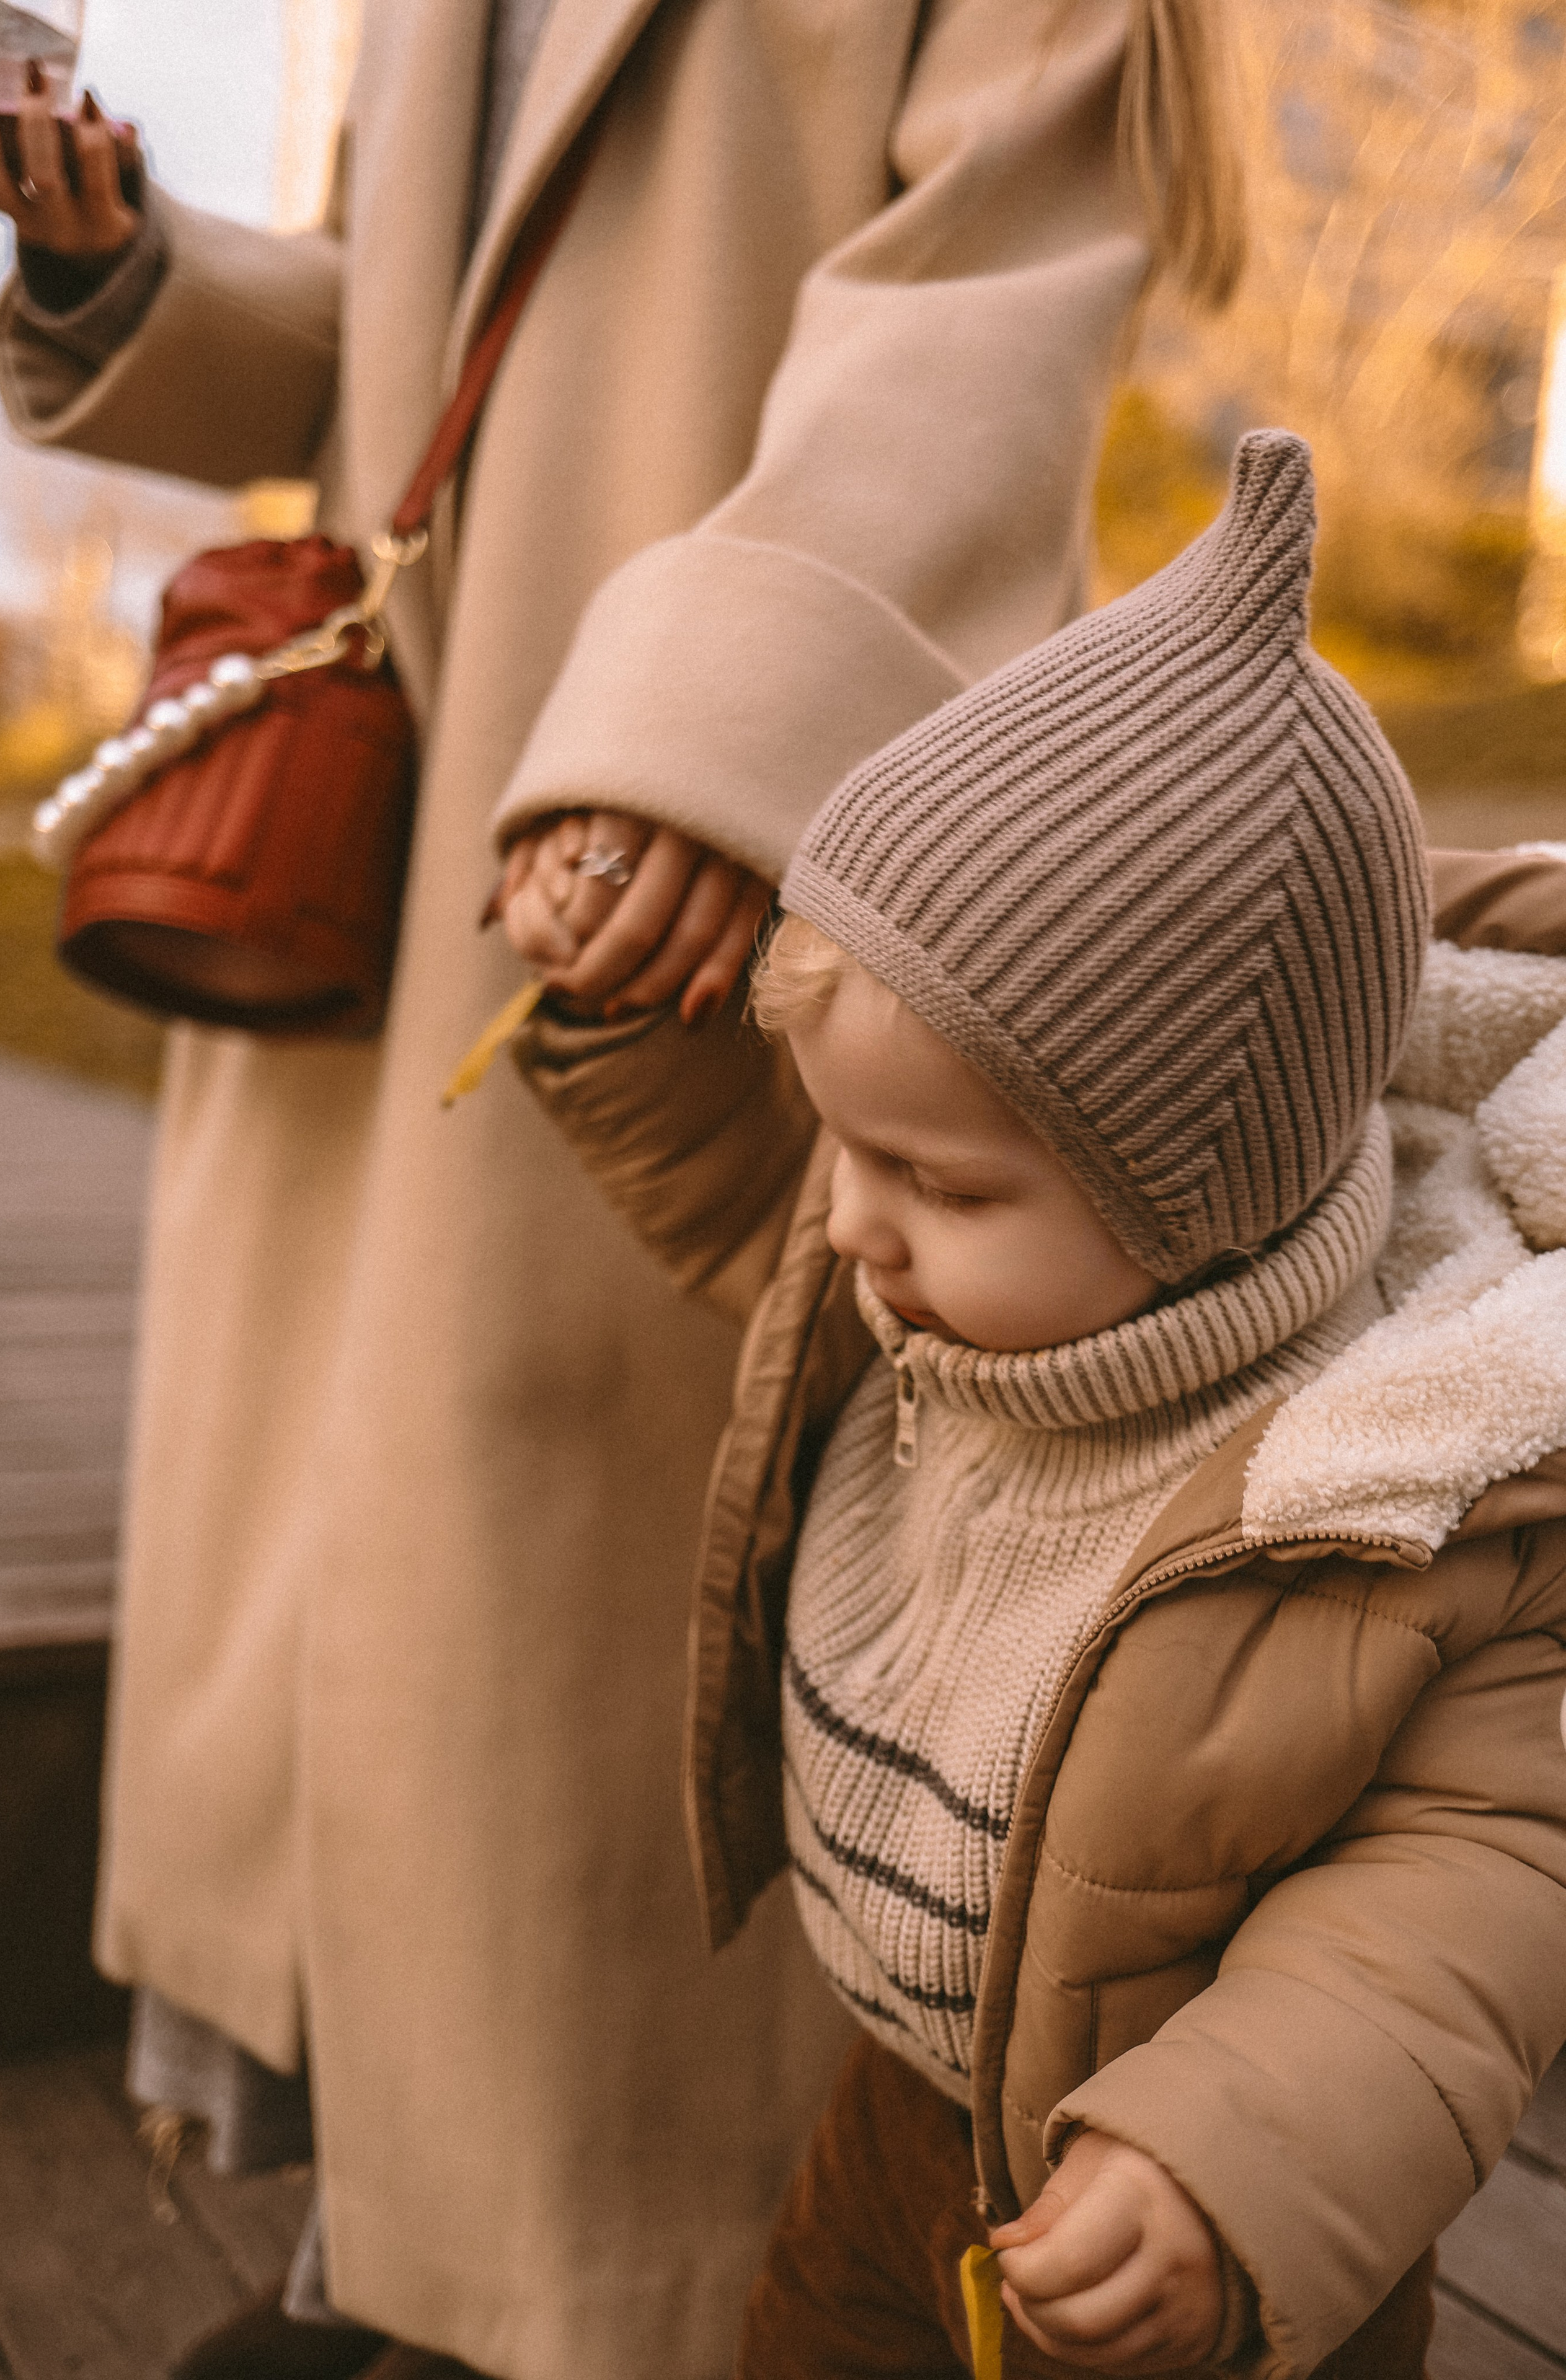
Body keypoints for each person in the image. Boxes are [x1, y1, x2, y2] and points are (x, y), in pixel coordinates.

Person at [0, 5, 1247, 2376]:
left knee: (581, 1659)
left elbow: (984, 291)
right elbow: (394, 347)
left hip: (728, 842)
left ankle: (627, 2292)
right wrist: (123, 256)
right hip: (431, 860)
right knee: (392, 1639)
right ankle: (413, 2258)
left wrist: (707, 728)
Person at [503, 431, 1566, 2377]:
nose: (852, 1222)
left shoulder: (1414, 1473)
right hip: (897, 2113)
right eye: (848, 1142)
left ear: (1209, 1189)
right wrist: (594, 1012)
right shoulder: (934, 1290)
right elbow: (764, 1199)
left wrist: (1225, 2168)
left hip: (1193, 2219)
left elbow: (1469, 1896)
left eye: (944, 1185)